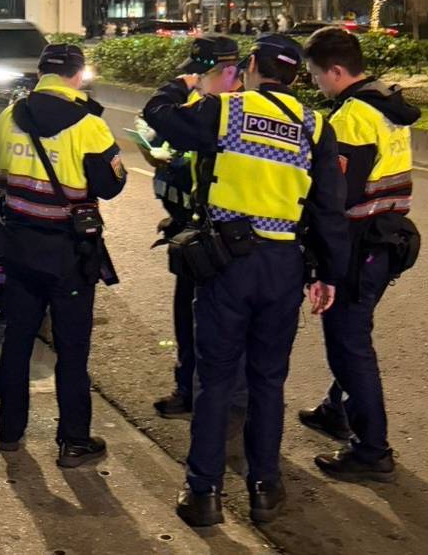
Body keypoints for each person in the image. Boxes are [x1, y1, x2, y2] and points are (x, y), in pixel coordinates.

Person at [142, 34, 349, 526]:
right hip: (283, 265)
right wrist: (328, 274)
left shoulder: (226, 110)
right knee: (268, 382)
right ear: (295, 76)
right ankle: (264, 488)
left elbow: (158, 115)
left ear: (253, 64)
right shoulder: (314, 126)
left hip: (227, 262)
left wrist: (185, 81)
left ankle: (204, 494)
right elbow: (329, 209)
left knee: (215, 380)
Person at [0, 44, 126, 468]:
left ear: (41, 71)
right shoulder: (89, 124)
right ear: (78, 75)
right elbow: (111, 186)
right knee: (72, 349)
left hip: (19, 246)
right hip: (68, 254)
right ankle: (74, 441)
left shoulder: (10, 116)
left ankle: (10, 431)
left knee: (17, 340)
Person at [300, 27, 420, 482]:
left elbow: (338, 196)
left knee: (348, 344)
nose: (316, 84)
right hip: (388, 237)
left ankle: (372, 450)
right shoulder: (386, 105)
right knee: (353, 334)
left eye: (316, 76)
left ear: (335, 71)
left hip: (358, 243)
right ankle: (337, 410)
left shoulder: (352, 118)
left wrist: (320, 259)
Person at [145, 35, 242, 418]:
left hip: (226, 236)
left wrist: (176, 87)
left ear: (230, 72)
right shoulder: (205, 106)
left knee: (218, 327)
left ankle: (217, 404)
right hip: (194, 230)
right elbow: (162, 129)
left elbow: (158, 113)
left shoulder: (232, 111)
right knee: (187, 316)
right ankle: (189, 389)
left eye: (203, 75)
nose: (197, 82)